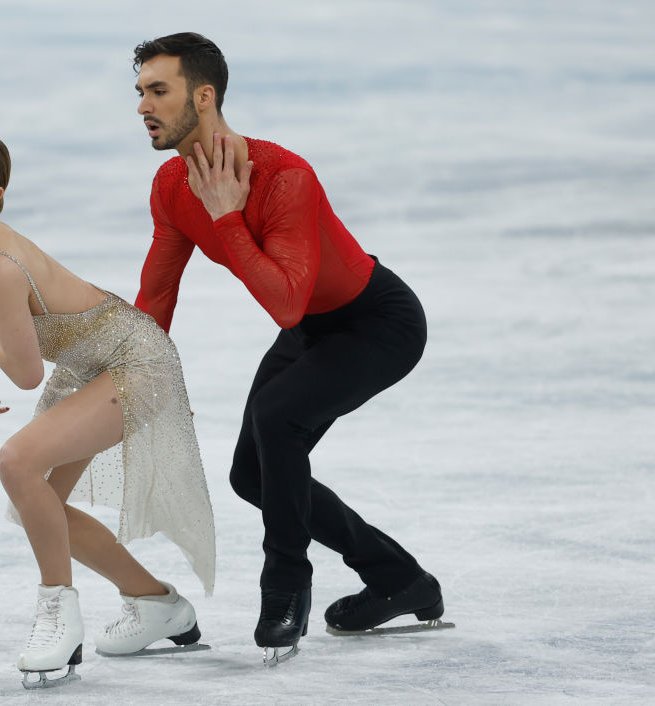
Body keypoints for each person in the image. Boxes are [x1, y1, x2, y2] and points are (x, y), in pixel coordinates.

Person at [131, 33, 445, 659]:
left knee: (279, 420)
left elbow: (285, 302)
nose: (143, 106)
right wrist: (138, 380)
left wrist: (227, 216)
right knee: (253, 473)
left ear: (204, 95)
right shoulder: (171, 186)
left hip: (379, 322)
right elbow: (157, 296)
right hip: (312, 331)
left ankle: (285, 586)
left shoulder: (283, 177)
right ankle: (399, 578)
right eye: (139, 92)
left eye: (158, 91)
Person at [0, 128, 215, 686]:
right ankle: (156, 603)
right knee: (42, 507)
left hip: (138, 363)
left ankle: (58, 612)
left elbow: (26, 376)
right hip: (92, 366)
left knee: (16, 464)